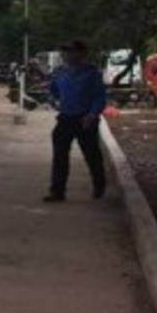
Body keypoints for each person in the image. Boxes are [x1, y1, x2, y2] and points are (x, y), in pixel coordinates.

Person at [45, 40, 107, 202]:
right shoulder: (59, 72)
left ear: (81, 53)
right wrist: (53, 100)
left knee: (92, 155)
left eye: (72, 51)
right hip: (65, 118)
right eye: (66, 52)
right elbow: (53, 91)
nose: (68, 55)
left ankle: (99, 185)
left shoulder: (91, 73)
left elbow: (100, 96)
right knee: (60, 155)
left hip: (85, 118)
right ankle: (57, 191)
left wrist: (92, 115)